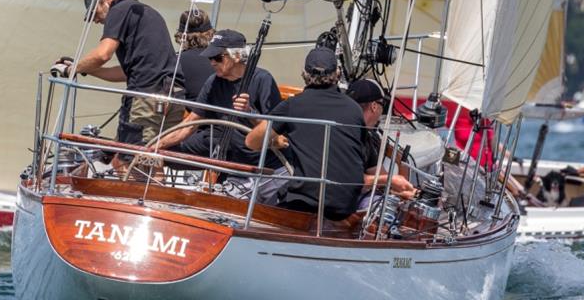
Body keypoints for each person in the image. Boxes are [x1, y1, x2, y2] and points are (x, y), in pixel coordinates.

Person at [51, 0, 186, 151]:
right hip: (173, 97)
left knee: (127, 161)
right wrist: (84, 68)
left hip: (146, 97)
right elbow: (125, 72)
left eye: (94, 12)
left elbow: (102, 54)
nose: (95, 20)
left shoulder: (119, 10)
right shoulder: (145, 12)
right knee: (150, 158)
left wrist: (70, 70)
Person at [245, 48, 366, 220]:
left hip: (307, 202)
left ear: (304, 74)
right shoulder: (354, 109)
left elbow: (251, 142)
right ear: (337, 73)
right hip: (345, 205)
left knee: (260, 211)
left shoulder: (293, 105)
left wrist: (274, 142)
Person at [158, 29, 282, 169]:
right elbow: (191, 123)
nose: (212, 63)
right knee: (165, 153)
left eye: (217, 58)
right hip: (221, 147)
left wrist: (249, 112)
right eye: (210, 58)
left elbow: (275, 128)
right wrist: (156, 146)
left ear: (237, 56)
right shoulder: (213, 81)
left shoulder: (262, 79)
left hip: (254, 156)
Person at [346, 79, 416, 210]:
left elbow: (380, 178)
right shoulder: (349, 134)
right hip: (344, 201)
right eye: (382, 105)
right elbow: (351, 181)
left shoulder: (367, 136)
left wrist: (399, 161)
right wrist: (392, 180)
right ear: (374, 106)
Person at [174, 8, 216, 103]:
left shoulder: (176, 61)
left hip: (191, 114)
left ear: (181, 35)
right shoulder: (221, 59)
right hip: (221, 113)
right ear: (210, 33)